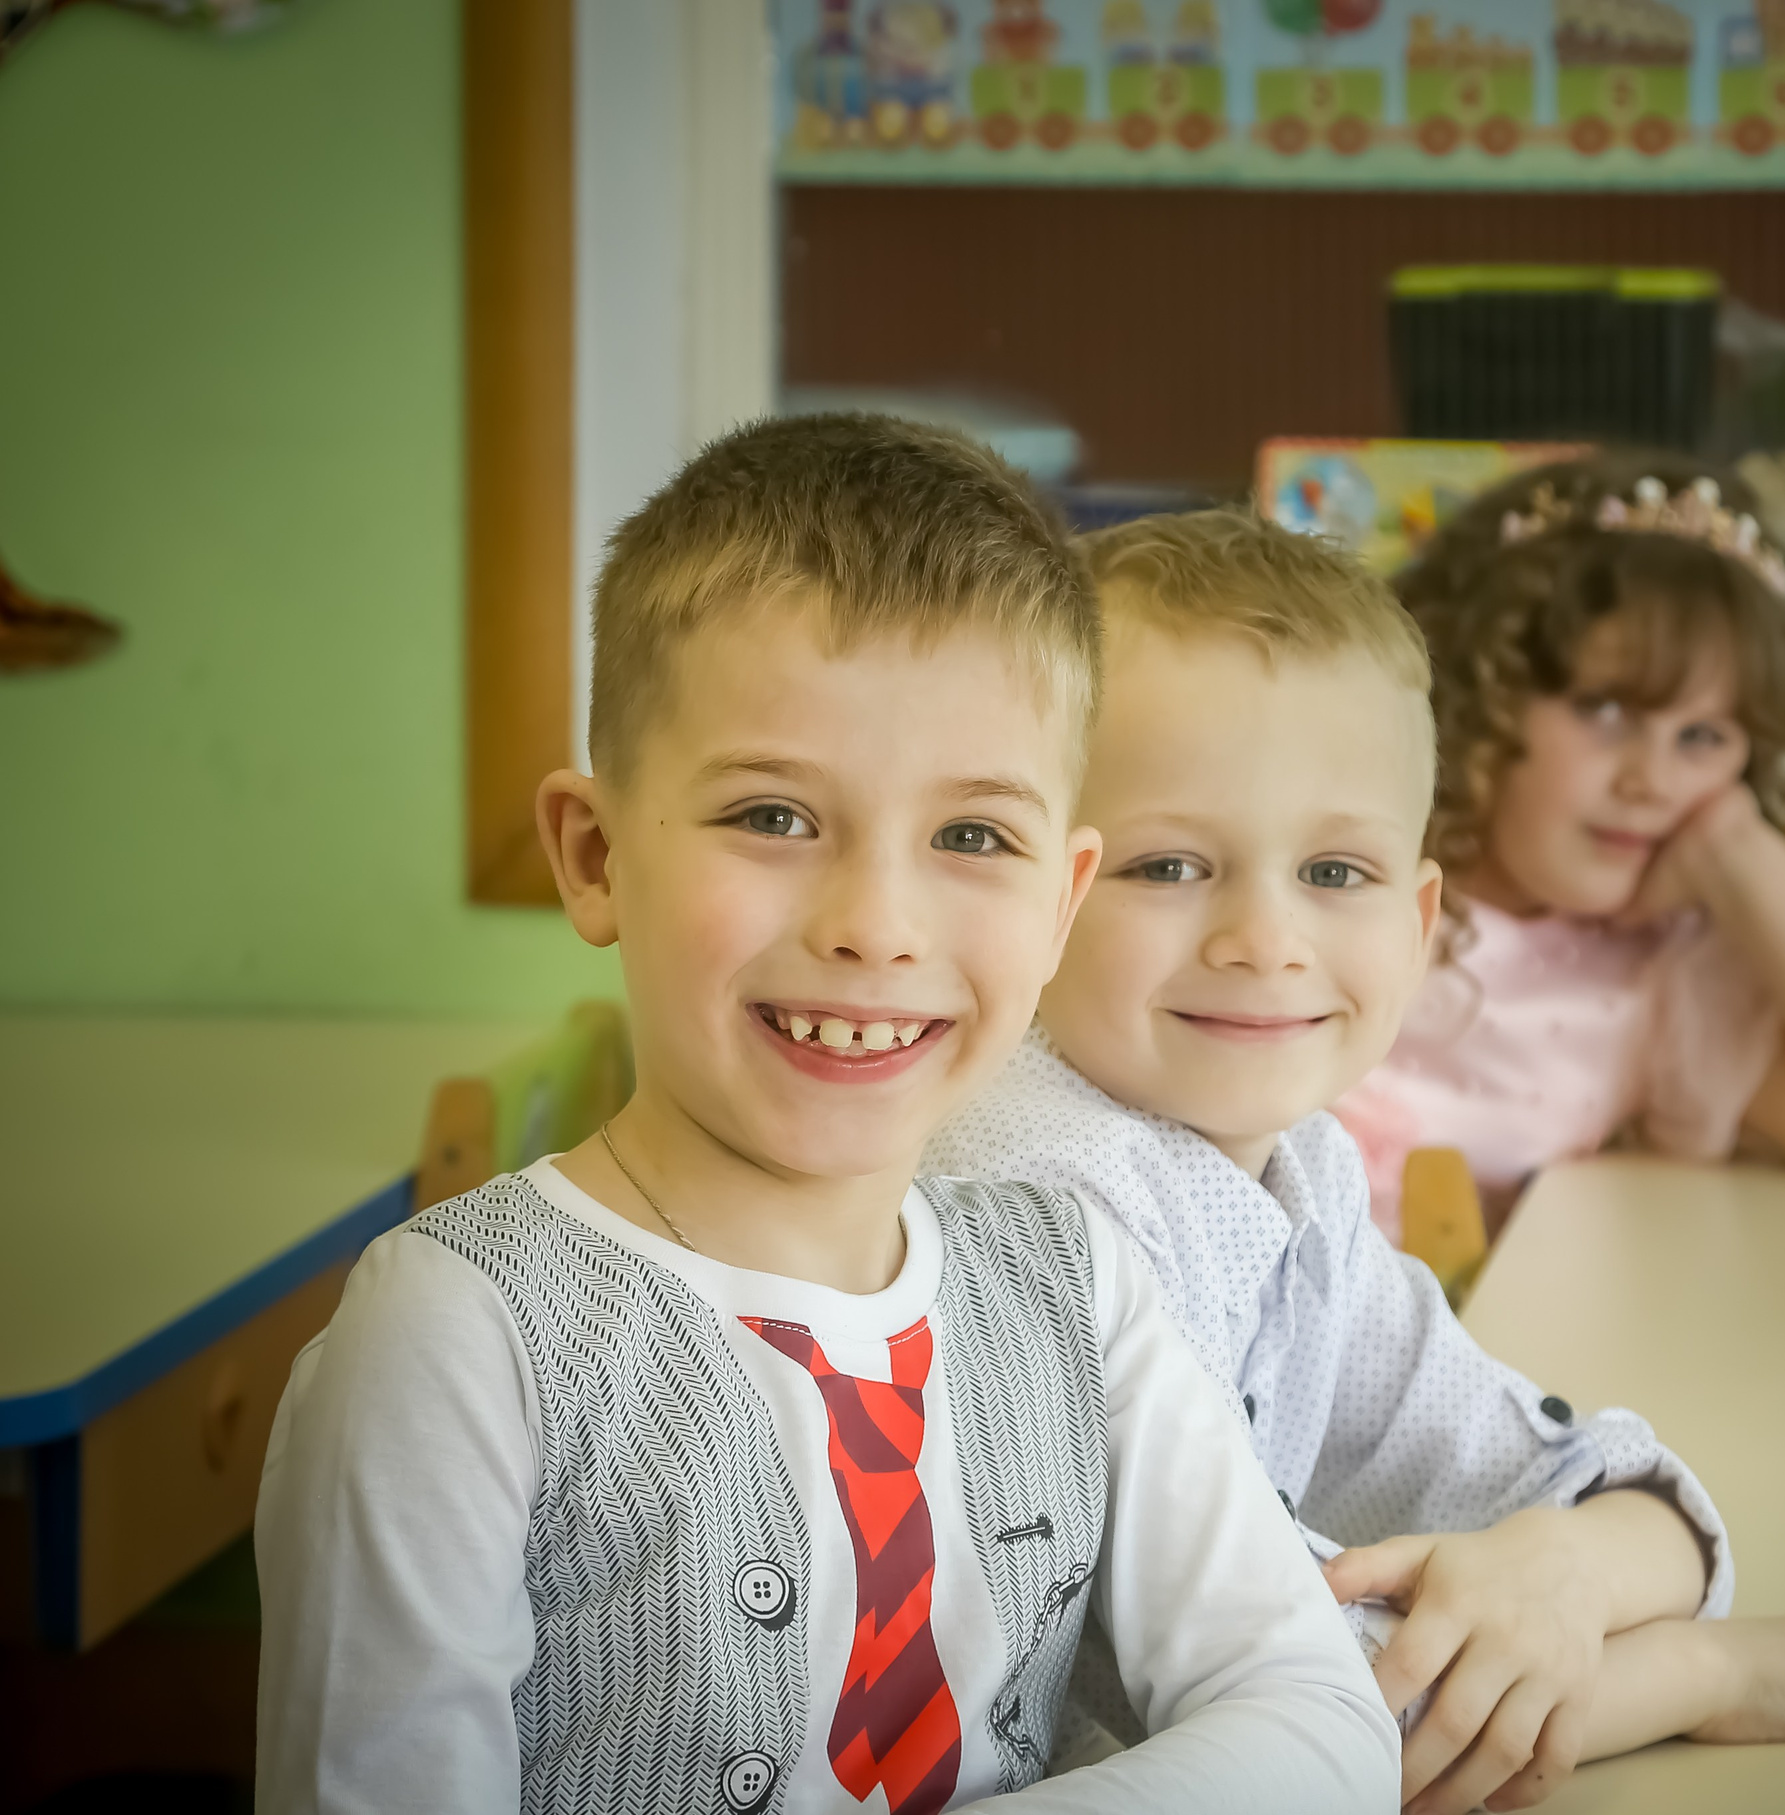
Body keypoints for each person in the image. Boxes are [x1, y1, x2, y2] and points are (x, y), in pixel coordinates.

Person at [253, 419, 1400, 1815]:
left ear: (1061, 897)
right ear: (596, 852)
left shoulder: (1078, 1282)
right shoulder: (454, 1337)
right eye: (774, 816)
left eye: (972, 835)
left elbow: (1317, 1717)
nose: (874, 925)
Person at [926, 511, 1785, 1815]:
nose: (1268, 938)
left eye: (1335, 869)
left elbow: (1532, 1458)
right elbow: (1310, 1731)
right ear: (1034, 888)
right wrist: (1703, 1673)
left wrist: (1560, 1564)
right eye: (1173, 864)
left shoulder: (1294, 1165)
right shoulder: (1042, 1214)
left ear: (1417, 919)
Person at [1335, 452, 1785, 1242]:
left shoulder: (1660, 983)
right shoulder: (1340, 899)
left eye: (1702, 736)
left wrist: (1739, 851)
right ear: (1480, 694)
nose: (1651, 781)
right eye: (1607, 710)